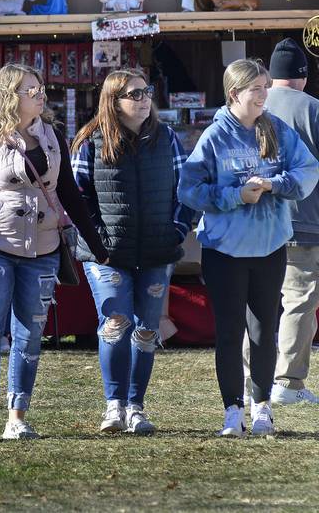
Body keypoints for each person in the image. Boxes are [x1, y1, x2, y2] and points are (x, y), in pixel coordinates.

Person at [0, 63, 108, 440]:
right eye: (30, 90)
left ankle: (17, 416)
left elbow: (69, 192)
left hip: (43, 247)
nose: (40, 95)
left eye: (40, 88)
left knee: (29, 334)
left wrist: (95, 242)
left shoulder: (54, 136)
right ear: (10, 96)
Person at [178, 58, 319, 437]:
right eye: (256, 88)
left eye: (266, 86)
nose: (264, 95)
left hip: (271, 246)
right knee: (227, 332)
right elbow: (188, 190)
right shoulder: (214, 137)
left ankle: (262, 409)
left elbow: (308, 171)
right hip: (224, 252)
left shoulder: (277, 130)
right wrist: (235, 195)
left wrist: (276, 184)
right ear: (234, 93)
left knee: (263, 332)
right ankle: (231, 411)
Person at [71, 69, 194, 434]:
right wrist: (96, 242)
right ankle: (114, 406)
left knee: (146, 329)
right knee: (115, 323)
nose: (143, 100)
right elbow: (77, 199)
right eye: (134, 94)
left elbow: (184, 191)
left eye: (146, 92)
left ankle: (136, 407)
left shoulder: (166, 138)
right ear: (114, 101)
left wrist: (177, 230)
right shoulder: (91, 141)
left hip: (157, 250)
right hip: (107, 253)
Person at [263, 39, 319, 405]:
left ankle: (256, 378)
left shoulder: (249, 104)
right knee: (298, 300)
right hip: (304, 220)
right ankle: (287, 382)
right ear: (302, 76)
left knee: (258, 301)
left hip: (255, 222)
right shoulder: (313, 108)